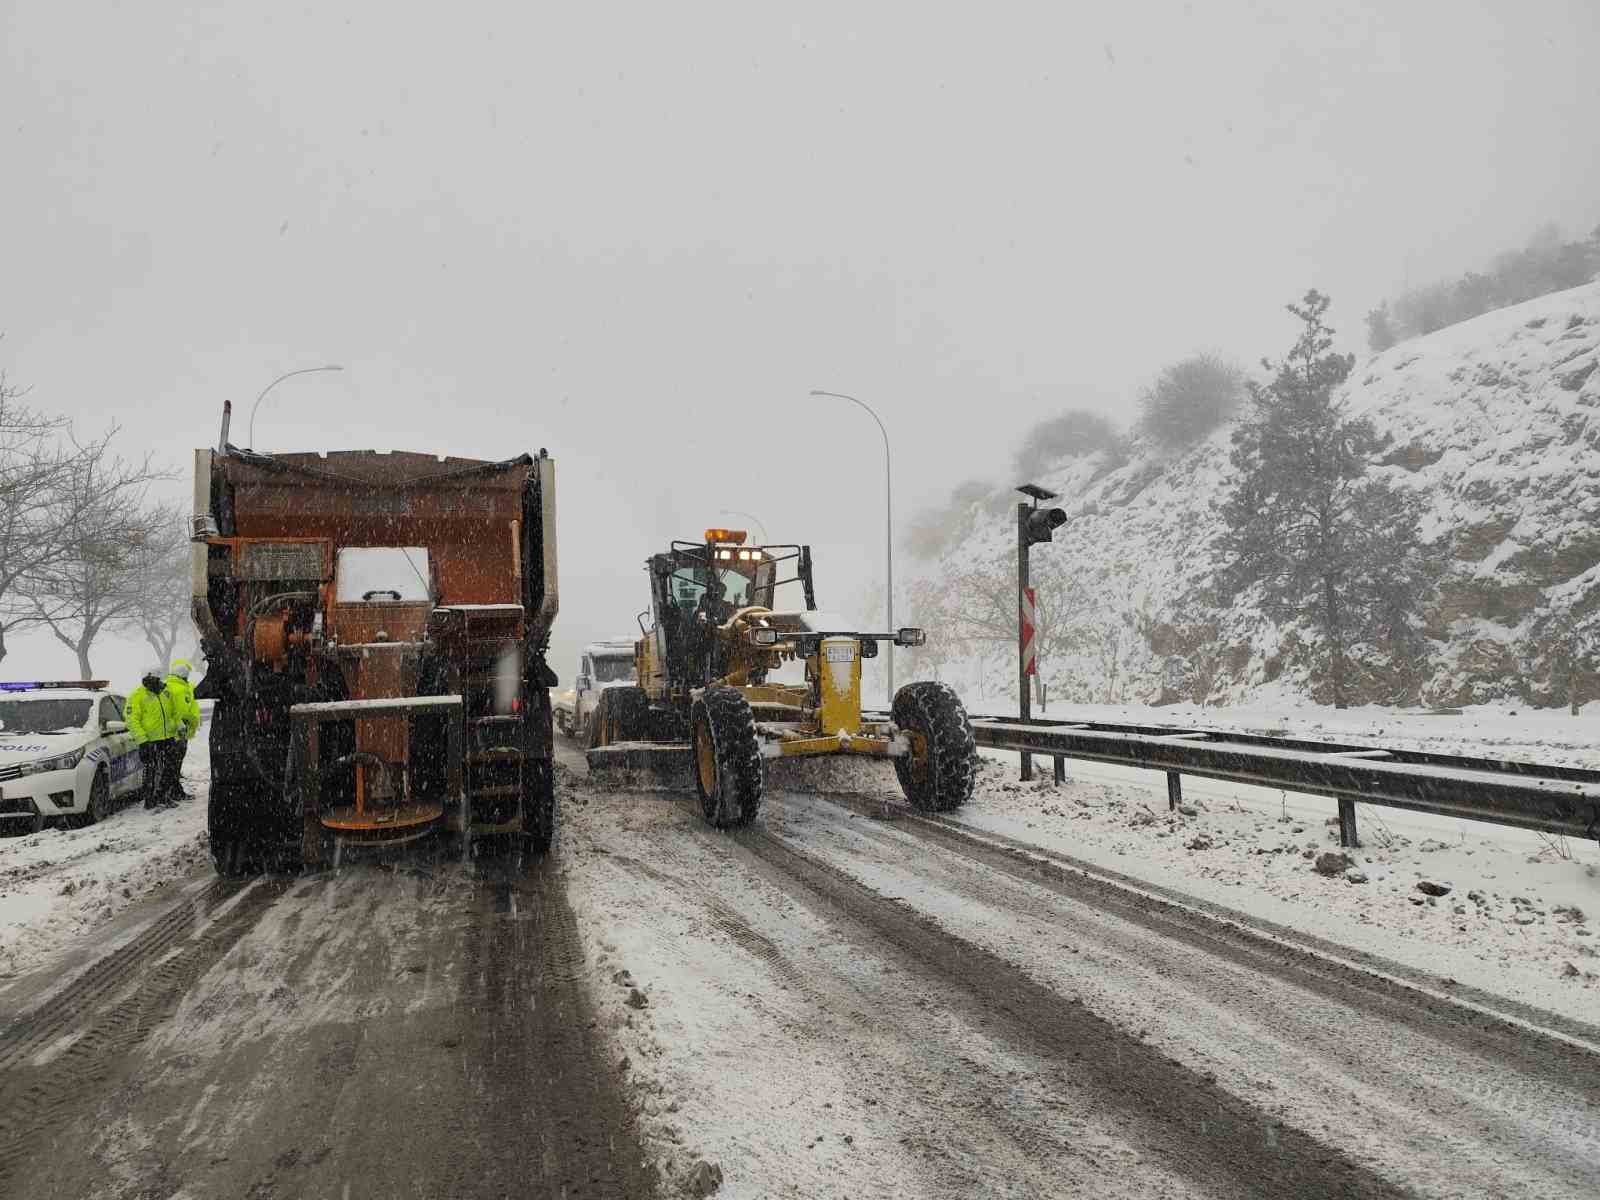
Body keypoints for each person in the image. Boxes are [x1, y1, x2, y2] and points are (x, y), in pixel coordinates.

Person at [126, 667, 184, 810]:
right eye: (151, 680)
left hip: (169, 738)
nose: (155, 683)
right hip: (149, 741)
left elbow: (175, 713)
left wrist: (180, 725)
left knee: (169, 769)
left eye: (157, 679)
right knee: (151, 771)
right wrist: (142, 740)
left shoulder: (166, 693)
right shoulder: (137, 696)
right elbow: (132, 719)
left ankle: (163, 796)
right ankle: (150, 799)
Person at [165, 659, 201, 802]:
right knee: (174, 765)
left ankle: (172, 790)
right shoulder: (180, 689)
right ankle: (173, 791)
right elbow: (182, 712)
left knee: (172, 765)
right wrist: (191, 721)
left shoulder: (171, 686)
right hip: (179, 732)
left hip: (172, 732)